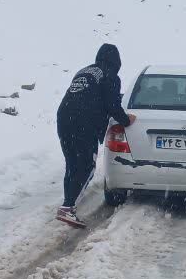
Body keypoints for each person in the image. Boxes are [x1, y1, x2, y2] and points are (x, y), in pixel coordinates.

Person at [56, 43, 136, 228]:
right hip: (84, 122)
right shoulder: (111, 76)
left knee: (72, 164)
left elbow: (89, 95)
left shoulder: (85, 71)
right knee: (87, 166)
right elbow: (112, 105)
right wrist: (125, 120)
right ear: (117, 61)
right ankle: (68, 207)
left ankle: (68, 203)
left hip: (64, 118)